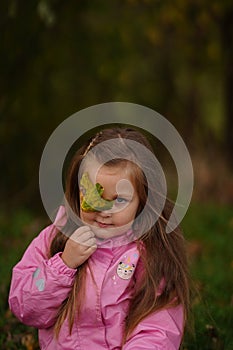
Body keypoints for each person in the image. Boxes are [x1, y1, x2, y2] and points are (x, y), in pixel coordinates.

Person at [9, 127, 190, 349]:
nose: (105, 210)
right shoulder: (54, 239)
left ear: (142, 201)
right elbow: (26, 309)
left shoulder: (149, 253)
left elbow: (158, 327)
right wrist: (63, 265)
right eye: (95, 196)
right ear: (78, 191)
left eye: (120, 200)